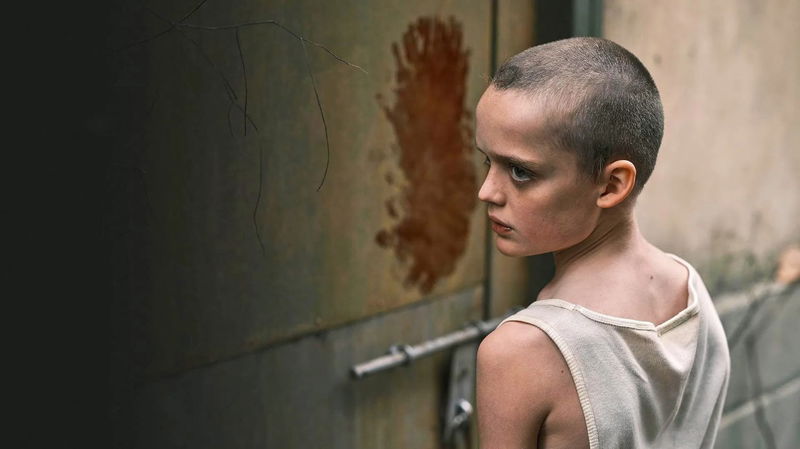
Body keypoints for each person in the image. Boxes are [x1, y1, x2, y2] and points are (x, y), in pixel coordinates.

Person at [474, 37, 730, 449]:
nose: (487, 191)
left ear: (611, 185)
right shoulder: (688, 289)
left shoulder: (521, 351)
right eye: (488, 161)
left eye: (520, 172)